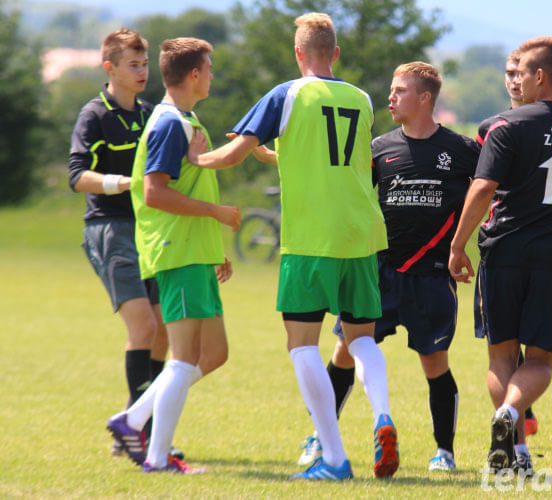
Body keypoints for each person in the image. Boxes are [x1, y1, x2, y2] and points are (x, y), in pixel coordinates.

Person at [187, 12, 398, 481]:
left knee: (302, 343)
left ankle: (335, 457)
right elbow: (343, 159)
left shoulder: (287, 93)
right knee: (361, 338)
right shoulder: (361, 98)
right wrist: (279, 153)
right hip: (362, 232)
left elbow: (230, 155)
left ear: (298, 53)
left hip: (311, 238)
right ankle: (383, 415)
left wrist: (192, 157)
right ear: (335, 54)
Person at [296, 62, 479, 472]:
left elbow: (486, 194)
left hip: (432, 275)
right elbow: (347, 189)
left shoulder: (463, 151)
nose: (391, 98)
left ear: (425, 97)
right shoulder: (379, 147)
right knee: (344, 352)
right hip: (377, 272)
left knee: (435, 362)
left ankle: (444, 453)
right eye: (391, 90)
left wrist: (463, 243)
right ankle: (319, 439)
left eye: (400, 91)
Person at [448, 36, 552, 476]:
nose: (516, 80)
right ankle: (514, 434)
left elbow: (482, 188)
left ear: (540, 76)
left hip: (503, 253)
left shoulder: (505, 126)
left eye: (521, 73)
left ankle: (510, 436)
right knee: (542, 359)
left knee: (502, 357)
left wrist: (457, 243)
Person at [106, 37, 240, 474]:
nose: (213, 75)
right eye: (210, 67)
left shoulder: (186, 118)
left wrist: (213, 245)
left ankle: (132, 418)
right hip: (176, 252)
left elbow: (185, 186)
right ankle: (157, 458)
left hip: (195, 252)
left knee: (213, 354)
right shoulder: (168, 123)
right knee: (182, 360)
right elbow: (155, 192)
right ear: (195, 74)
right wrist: (217, 214)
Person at [67, 27, 176, 457]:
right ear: (109, 67)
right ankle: (136, 432)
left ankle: (134, 425)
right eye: (133, 64)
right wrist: (123, 183)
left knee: (165, 332)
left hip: (147, 232)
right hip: (110, 230)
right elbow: (77, 176)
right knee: (144, 328)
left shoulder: (149, 113)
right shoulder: (94, 114)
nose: (142, 71)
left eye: (145, 63)